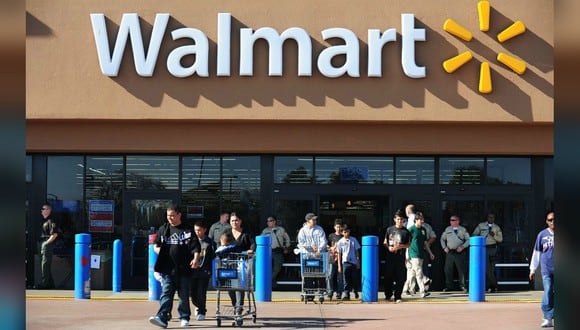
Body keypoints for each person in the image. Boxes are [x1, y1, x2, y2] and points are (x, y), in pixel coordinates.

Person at [149, 204, 200, 328]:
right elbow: (156, 245)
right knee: (166, 293)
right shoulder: (163, 229)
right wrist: (159, 251)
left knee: (183, 295)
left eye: (172, 215)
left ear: (179, 215)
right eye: (168, 216)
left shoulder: (187, 230)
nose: (170, 218)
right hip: (167, 268)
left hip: (184, 268)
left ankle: (184, 317)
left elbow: (196, 247)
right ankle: (162, 317)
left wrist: (195, 259)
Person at [225, 212, 255, 316]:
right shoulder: (227, 233)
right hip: (230, 263)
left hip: (243, 263)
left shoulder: (246, 233)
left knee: (239, 286)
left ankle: (239, 308)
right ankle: (235, 305)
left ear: (240, 221)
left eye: (236, 220)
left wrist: (251, 250)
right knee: (230, 288)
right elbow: (222, 243)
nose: (234, 222)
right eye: (232, 220)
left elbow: (253, 244)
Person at [529, 211, 554, 328]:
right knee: (548, 291)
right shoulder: (542, 235)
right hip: (547, 269)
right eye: (550, 220)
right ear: (546, 221)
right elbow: (536, 253)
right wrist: (532, 269)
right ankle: (548, 318)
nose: (553, 222)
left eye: (554, 219)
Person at [297, 213, 328, 300]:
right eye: (313, 219)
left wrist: (319, 249)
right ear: (308, 220)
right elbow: (301, 243)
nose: (315, 221)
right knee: (308, 274)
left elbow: (324, 241)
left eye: (315, 219)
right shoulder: (302, 231)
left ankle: (321, 292)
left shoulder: (319, 229)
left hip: (319, 256)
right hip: (307, 256)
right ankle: (309, 294)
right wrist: (311, 247)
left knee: (320, 275)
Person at [190, 220, 216, 322]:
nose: (197, 232)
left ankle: (202, 311)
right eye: (195, 230)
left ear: (205, 230)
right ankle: (197, 305)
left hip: (204, 270)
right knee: (193, 293)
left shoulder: (210, 242)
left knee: (201, 291)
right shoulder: (191, 241)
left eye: (199, 230)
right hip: (192, 270)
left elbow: (214, 256)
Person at [383, 209, 410, 303]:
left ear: (403, 220)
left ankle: (398, 295)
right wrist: (388, 248)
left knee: (400, 277)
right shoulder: (389, 229)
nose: (399, 221)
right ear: (395, 219)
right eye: (398, 219)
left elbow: (408, 244)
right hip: (390, 256)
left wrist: (400, 246)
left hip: (400, 257)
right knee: (388, 276)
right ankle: (388, 295)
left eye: (401, 219)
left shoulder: (405, 231)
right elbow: (385, 242)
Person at [403, 212, 432, 298]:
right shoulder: (411, 229)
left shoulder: (423, 230)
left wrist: (430, 252)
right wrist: (407, 255)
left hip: (421, 254)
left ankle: (405, 289)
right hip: (413, 254)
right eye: (420, 220)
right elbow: (407, 243)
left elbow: (425, 242)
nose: (422, 221)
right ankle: (423, 291)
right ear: (416, 220)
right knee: (419, 273)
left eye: (423, 220)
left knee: (411, 273)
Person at [472, 212, 503, 293]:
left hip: (493, 249)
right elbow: (474, 234)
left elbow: (500, 239)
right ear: (487, 218)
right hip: (483, 248)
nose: (491, 218)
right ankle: (493, 285)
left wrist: (494, 235)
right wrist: (481, 239)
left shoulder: (496, 227)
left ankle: (490, 286)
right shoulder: (481, 226)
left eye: (493, 217)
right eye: (490, 217)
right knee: (486, 268)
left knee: (492, 268)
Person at [440, 215, 470, 293]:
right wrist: (444, 247)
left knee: (461, 270)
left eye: (453, 220)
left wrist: (462, 247)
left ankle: (463, 286)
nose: (451, 221)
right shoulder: (447, 229)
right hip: (450, 252)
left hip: (459, 252)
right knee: (448, 269)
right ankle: (449, 286)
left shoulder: (463, 229)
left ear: (458, 221)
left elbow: (468, 240)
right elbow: (442, 239)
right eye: (450, 220)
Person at [260, 216, 291, 289]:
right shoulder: (265, 231)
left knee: (277, 268)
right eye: (267, 221)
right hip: (268, 251)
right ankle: (271, 284)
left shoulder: (280, 229)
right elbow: (261, 240)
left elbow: (287, 238)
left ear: (274, 221)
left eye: (270, 220)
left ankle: (267, 281)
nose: (268, 222)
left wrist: (286, 247)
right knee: (267, 268)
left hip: (278, 251)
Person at [38, 203, 61, 289]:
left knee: (45, 264)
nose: (42, 210)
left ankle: (44, 284)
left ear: (49, 210)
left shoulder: (51, 220)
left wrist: (47, 243)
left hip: (47, 243)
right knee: (43, 264)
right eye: (42, 209)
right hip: (41, 242)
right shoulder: (42, 220)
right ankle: (50, 283)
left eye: (44, 208)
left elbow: (54, 234)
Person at [336, 224, 360, 300]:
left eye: (348, 231)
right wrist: (339, 265)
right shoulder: (340, 242)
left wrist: (358, 261)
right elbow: (339, 254)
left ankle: (355, 290)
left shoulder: (353, 240)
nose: (347, 233)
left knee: (354, 278)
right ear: (342, 232)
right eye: (345, 232)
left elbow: (357, 251)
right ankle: (346, 294)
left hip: (353, 261)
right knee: (345, 279)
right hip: (345, 262)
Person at [327, 218, 343, 299]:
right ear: (334, 227)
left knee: (340, 277)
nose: (338, 228)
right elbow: (326, 245)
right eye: (337, 227)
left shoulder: (343, 236)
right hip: (332, 258)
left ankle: (339, 293)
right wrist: (331, 248)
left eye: (340, 227)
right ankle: (330, 291)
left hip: (341, 259)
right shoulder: (331, 236)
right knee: (330, 275)